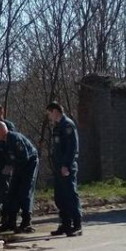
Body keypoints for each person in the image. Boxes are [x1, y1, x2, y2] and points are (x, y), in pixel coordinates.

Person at [0, 122, 39, 234]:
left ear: (2, 131)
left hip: (29, 164)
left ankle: (26, 221)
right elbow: (0, 158)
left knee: (24, 191)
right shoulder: (1, 142)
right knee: (11, 192)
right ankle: (10, 221)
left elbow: (24, 158)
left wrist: (12, 167)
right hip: (17, 165)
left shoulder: (15, 139)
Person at [47, 101, 82, 236]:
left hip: (66, 167)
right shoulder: (58, 126)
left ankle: (77, 224)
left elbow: (72, 148)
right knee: (60, 197)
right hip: (58, 167)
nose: (49, 117)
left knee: (70, 196)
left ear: (55, 111)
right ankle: (65, 224)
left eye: (49, 113)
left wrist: (66, 165)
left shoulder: (67, 125)